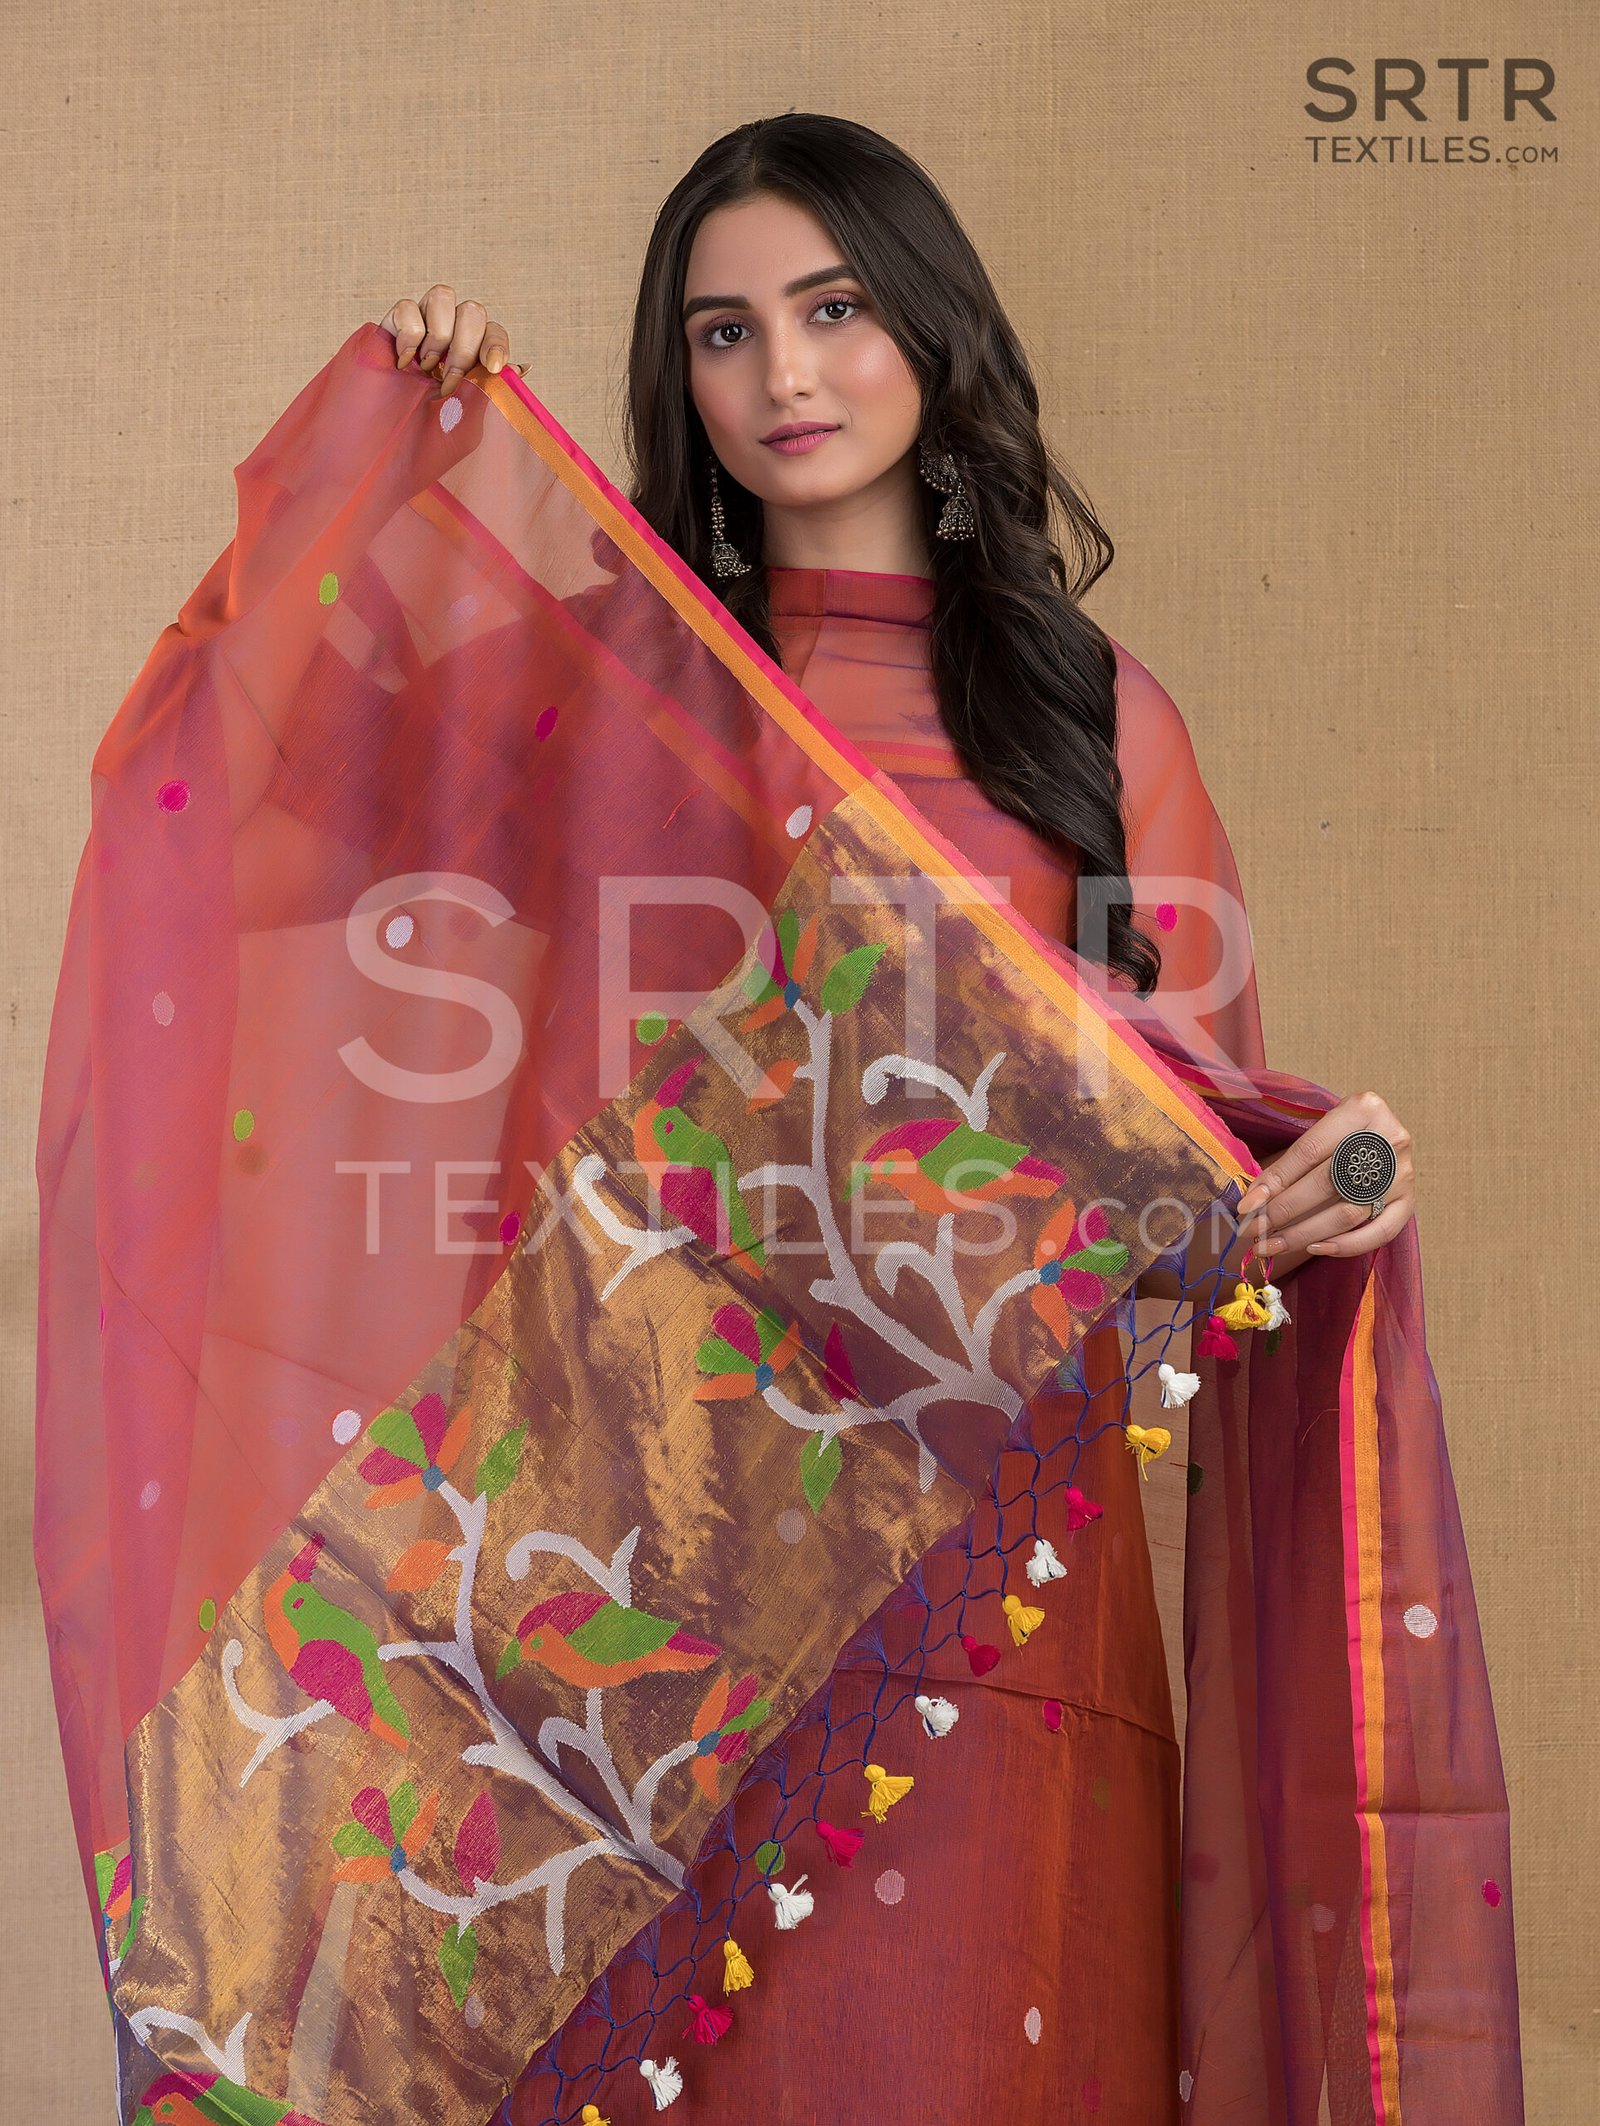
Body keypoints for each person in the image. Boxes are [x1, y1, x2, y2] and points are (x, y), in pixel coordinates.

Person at [372, 114, 1425, 2121]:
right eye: (724, 330)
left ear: (930, 331)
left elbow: (1181, 1190)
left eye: (834, 308)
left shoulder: (1085, 717)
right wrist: (421, 463)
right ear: (677, 376)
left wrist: (1329, 1176)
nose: (783, 372)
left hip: (982, 1572)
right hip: (652, 1561)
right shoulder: (622, 689)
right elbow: (314, 774)